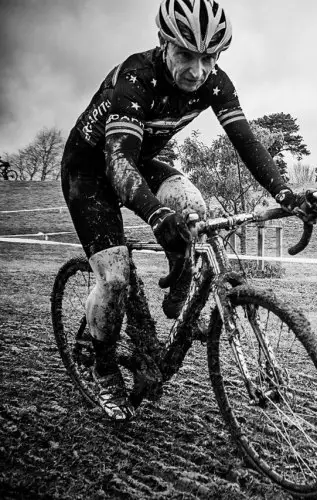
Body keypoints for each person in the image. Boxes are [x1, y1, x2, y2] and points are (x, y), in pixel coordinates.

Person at [60, 0, 303, 421]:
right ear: (163, 43)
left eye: (209, 57)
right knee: (115, 279)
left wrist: (288, 194)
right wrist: (156, 215)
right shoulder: (138, 77)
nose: (197, 70)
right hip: (91, 170)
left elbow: (246, 141)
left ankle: (180, 279)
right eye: (185, 55)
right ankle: (103, 370)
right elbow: (118, 163)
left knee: (193, 208)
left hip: (140, 163)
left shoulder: (215, 82)